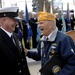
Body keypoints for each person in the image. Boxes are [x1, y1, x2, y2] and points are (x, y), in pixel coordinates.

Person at [0, 6, 31, 75]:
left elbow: (23, 62)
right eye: (13, 20)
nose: (16, 23)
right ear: (4, 20)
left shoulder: (16, 36)